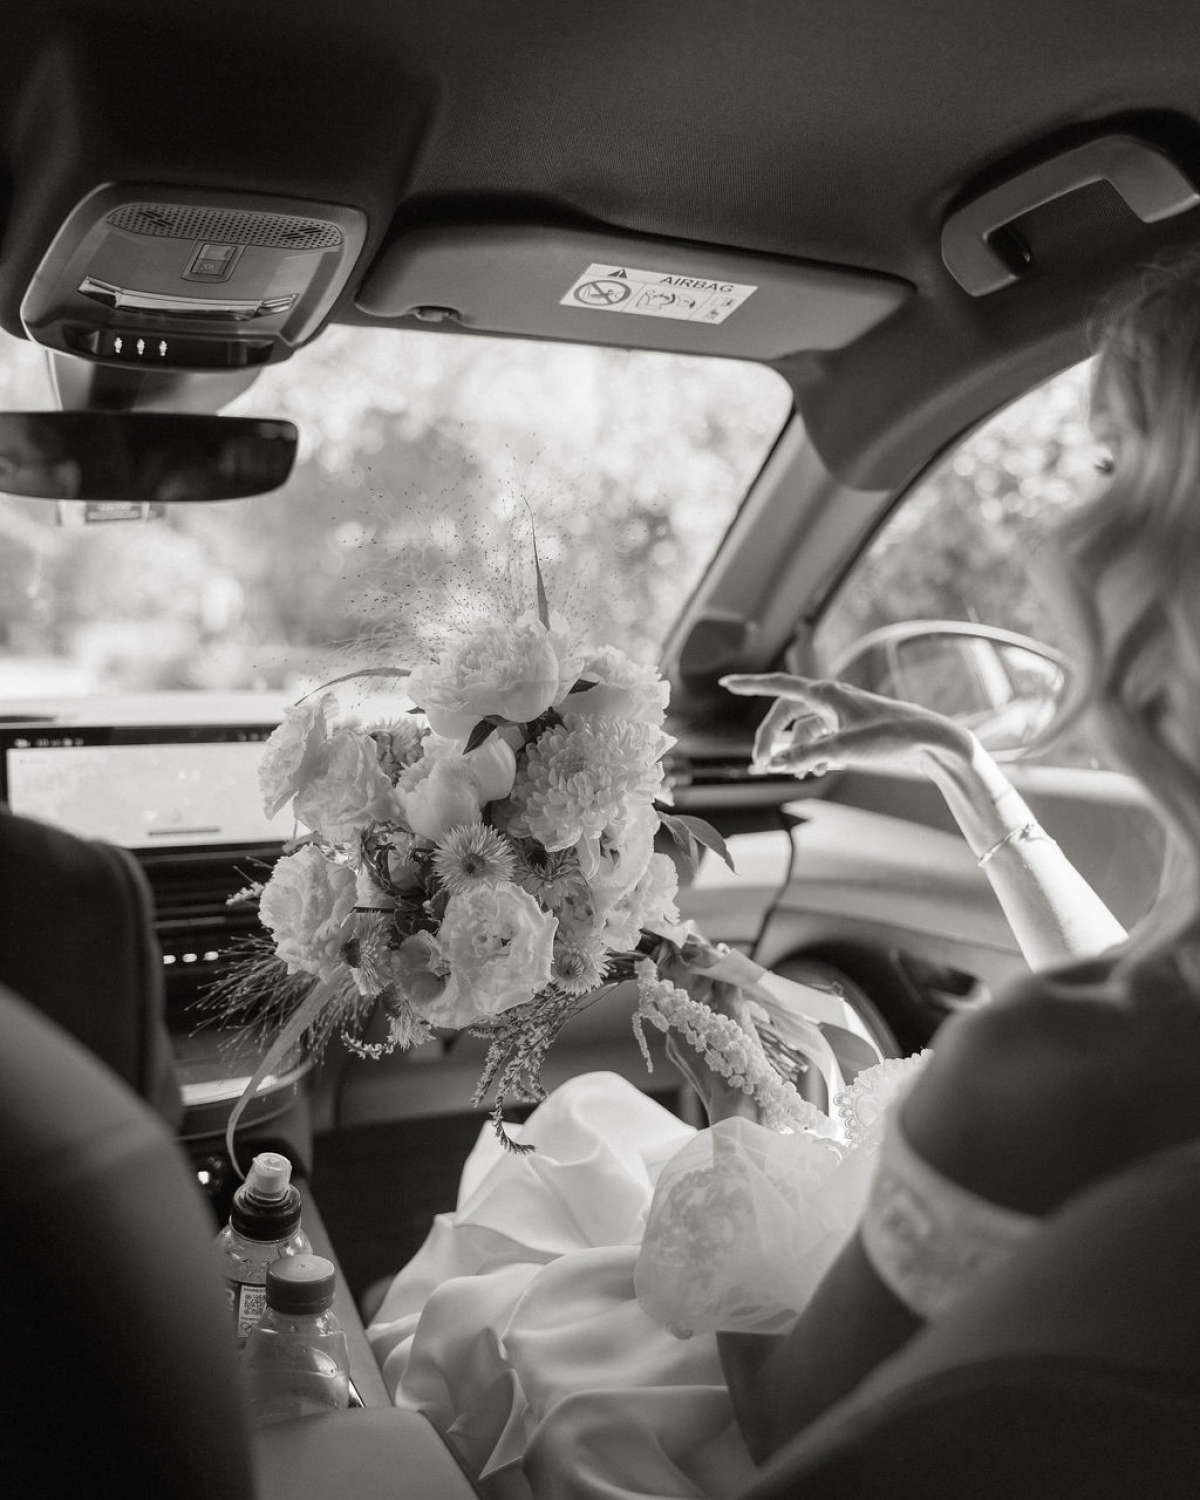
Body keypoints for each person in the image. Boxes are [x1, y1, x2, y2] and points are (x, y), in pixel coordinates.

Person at [367, 251, 1200, 1499]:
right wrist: (962, 761)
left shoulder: (1038, 1074)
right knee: (592, 1141)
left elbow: (796, 1429)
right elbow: (1125, 985)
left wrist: (746, 1129)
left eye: (1113, 467)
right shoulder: (1126, 1034)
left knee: (512, 1294)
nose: (1060, 533)